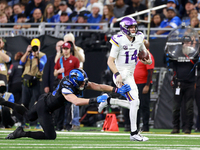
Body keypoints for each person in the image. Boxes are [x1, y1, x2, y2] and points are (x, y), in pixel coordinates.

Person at [3, 68, 131, 140]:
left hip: (45, 100)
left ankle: (4, 102)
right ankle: (23, 133)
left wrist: (115, 89)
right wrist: (96, 100)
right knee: (50, 136)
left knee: (29, 115)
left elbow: (96, 85)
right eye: (81, 83)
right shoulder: (66, 87)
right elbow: (75, 101)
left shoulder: (78, 81)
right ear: (74, 82)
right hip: (45, 107)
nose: (84, 85)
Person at [98, 17, 151, 141]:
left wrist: (147, 60)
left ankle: (109, 101)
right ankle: (134, 133)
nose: (133, 29)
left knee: (135, 103)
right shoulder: (119, 39)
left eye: (134, 27)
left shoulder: (139, 37)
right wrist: (117, 74)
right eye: (130, 27)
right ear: (124, 28)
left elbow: (144, 53)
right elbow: (110, 61)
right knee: (135, 102)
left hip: (130, 74)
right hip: (121, 73)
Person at [20, 38, 47, 128]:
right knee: (24, 103)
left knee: (37, 103)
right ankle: (25, 122)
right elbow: (21, 62)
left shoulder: (42, 55)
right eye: (33, 46)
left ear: (39, 46)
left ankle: (39, 123)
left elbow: (41, 67)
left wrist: (36, 56)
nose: (35, 48)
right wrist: (27, 52)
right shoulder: (27, 55)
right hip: (26, 81)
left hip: (36, 81)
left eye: (36, 46)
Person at [134, 40, 155, 132]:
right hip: (135, 84)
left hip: (143, 84)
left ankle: (146, 126)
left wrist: (147, 85)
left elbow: (150, 71)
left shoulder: (148, 55)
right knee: (135, 105)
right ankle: (136, 125)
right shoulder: (138, 56)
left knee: (144, 105)